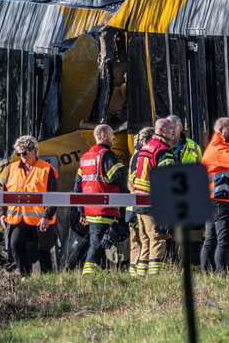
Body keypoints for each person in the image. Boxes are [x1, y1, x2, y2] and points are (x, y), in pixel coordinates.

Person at [75, 124, 127, 275]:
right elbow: (118, 176)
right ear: (103, 136)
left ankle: (98, 275)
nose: (114, 137)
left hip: (91, 211)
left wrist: (81, 211)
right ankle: (89, 276)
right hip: (105, 209)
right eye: (112, 134)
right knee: (97, 246)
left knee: (101, 244)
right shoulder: (106, 155)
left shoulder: (85, 157)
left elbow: (77, 187)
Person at [3, 135, 58, 275]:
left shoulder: (46, 169)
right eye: (19, 154)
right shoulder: (13, 168)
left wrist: (46, 216)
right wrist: (2, 213)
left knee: (42, 251)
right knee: (15, 244)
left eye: (24, 153)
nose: (21, 156)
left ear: (34, 151)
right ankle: (24, 275)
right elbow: (4, 193)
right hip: (18, 218)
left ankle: (47, 279)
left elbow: (53, 196)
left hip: (40, 219)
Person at [200, 117, 229, 274]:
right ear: (221, 130)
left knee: (211, 239)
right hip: (219, 200)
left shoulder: (219, 147)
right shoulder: (218, 149)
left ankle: (207, 273)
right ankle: (221, 274)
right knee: (224, 240)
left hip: (213, 200)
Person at [131, 118, 177, 274]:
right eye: (171, 129)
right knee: (158, 239)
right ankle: (155, 277)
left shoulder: (146, 148)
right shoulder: (163, 150)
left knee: (145, 241)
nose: (174, 132)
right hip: (153, 202)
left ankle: (141, 277)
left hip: (139, 201)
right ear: (161, 130)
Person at [127, 127, 154, 275]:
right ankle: (140, 273)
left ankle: (135, 273)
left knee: (137, 242)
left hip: (133, 205)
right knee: (144, 241)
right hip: (139, 205)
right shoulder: (141, 156)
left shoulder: (135, 156)